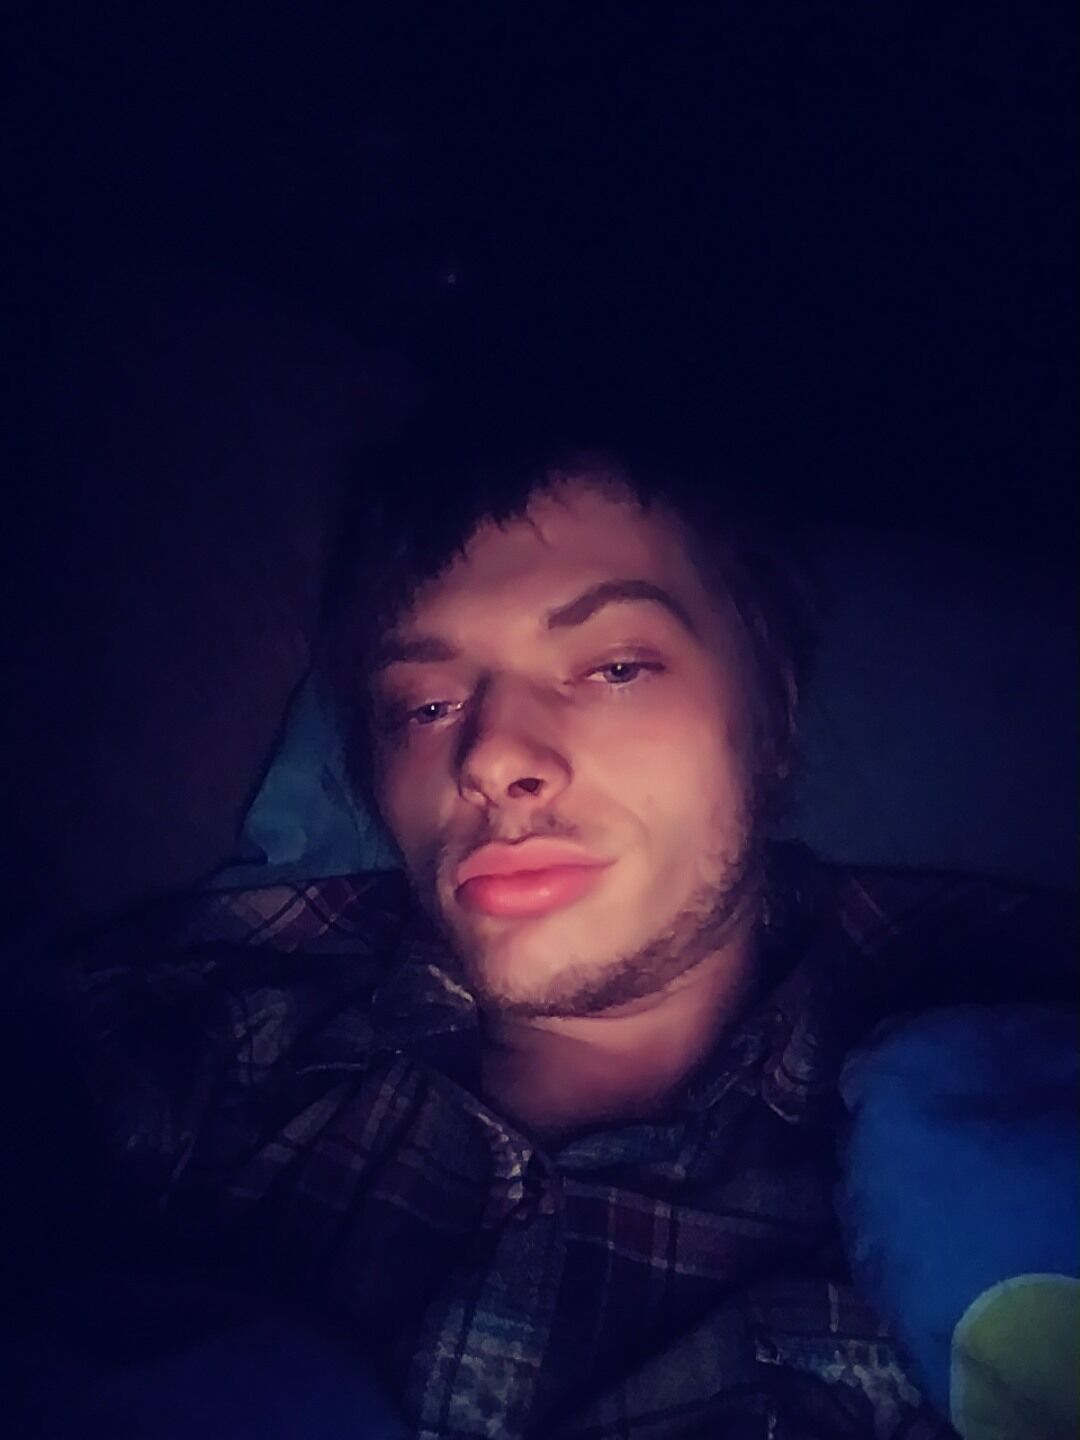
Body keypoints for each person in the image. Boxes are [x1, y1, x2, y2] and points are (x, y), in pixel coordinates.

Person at [63, 439, 1074, 1439]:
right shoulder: (214, 1053)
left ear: (770, 716)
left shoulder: (995, 1080)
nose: (490, 756)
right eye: (426, 705)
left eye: (616, 667)